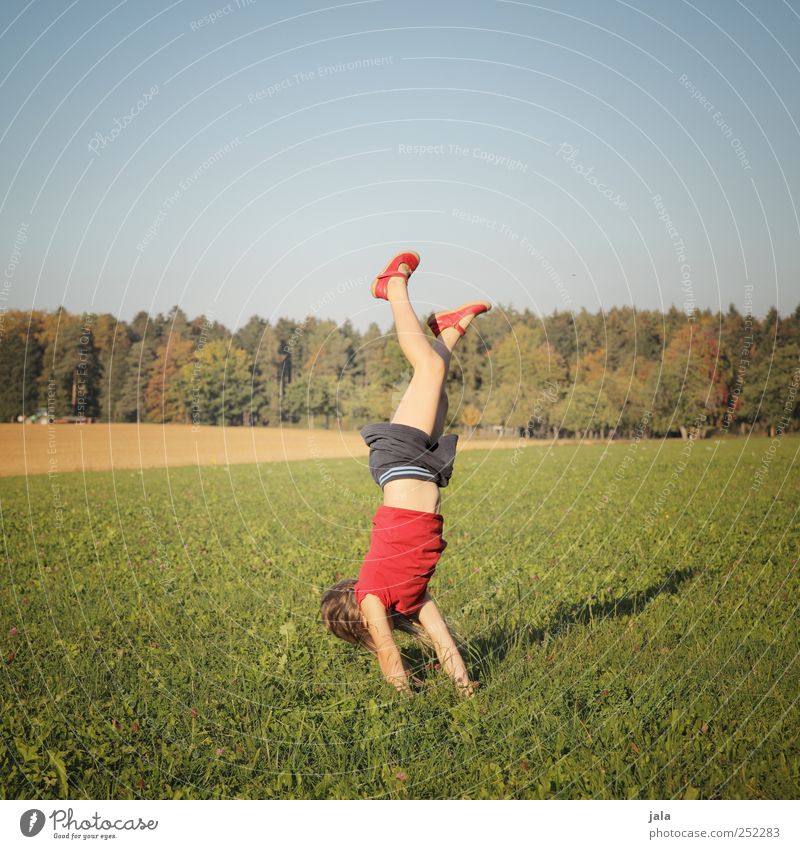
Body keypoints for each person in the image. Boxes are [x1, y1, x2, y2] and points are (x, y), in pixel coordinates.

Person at [320, 251, 491, 697]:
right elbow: (443, 641)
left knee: (428, 371)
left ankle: (392, 286)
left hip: (399, 465)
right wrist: (465, 689)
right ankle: (447, 332)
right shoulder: (414, 600)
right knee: (439, 393)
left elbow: (389, 659)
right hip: (425, 471)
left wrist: (403, 695)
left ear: (358, 610)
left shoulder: (373, 595)